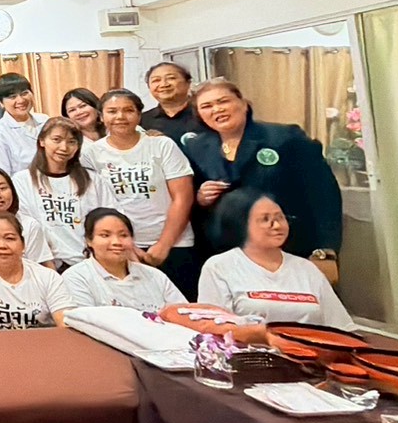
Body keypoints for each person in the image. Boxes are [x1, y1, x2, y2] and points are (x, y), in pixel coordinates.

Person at [185, 78, 343, 270]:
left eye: (223, 101)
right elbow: (187, 200)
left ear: (244, 104)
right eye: (207, 106)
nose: (217, 109)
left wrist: (325, 250)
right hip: (228, 254)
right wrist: (200, 198)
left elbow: (323, 193)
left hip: (290, 247)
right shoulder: (195, 147)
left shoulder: (285, 138)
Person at [89, 89, 198, 299]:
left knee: (181, 309)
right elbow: (95, 206)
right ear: (101, 117)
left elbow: (182, 197)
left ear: (139, 115)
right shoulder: (91, 153)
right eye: (112, 111)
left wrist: (164, 244)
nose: (120, 116)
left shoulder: (161, 145)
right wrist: (127, 245)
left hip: (175, 244)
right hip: (121, 247)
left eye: (128, 110)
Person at [197, 190, 354, 328]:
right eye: (265, 219)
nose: (277, 225)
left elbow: (340, 326)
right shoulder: (219, 267)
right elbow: (213, 328)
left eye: (280, 218)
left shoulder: (307, 268)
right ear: (240, 224)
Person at [12, 118, 119, 268]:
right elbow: (26, 227)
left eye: (72, 142)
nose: (64, 147)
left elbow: (111, 219)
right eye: (56, 140)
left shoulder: (93, 180)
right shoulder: (22, 180)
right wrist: (47, 265)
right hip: (44, 265)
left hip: (90, 263)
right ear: (42, 141)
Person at [0, 214, 74, 329]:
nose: (2, 245)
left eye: (10, 238)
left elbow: (65, 324)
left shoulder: (49, 277)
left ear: (23, 244)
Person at [62, 209, 187, 312]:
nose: (116, 242)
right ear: (89, 241)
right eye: (105, 235)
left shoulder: (155, 276)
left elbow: (184, 313)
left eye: (123, 235)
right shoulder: (76, 277)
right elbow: (84, 324)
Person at [0, 73, 48, 176]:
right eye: (13, 97)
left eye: (24, 93)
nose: (21, 100)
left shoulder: (45, 121)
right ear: (1, 102)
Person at [141, 62, 203, 145]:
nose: (163, 84)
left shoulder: (205, 113)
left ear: (188, 83)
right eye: (156, 80)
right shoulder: (142, 120)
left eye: (171, 78)